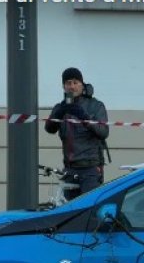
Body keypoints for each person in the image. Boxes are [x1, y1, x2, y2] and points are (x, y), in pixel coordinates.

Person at [45, 67, 109, 200]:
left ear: (82, 84)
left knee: (89, 210)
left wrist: (84, 117)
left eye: (75, 82)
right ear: (63, 86)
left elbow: (103, 132)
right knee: (69, 212)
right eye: (68, 83)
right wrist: (59, 113)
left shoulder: (95, 106)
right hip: (70, 169)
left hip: (90, 169)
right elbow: (49, 129)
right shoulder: (61, 106)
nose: (72, 86)